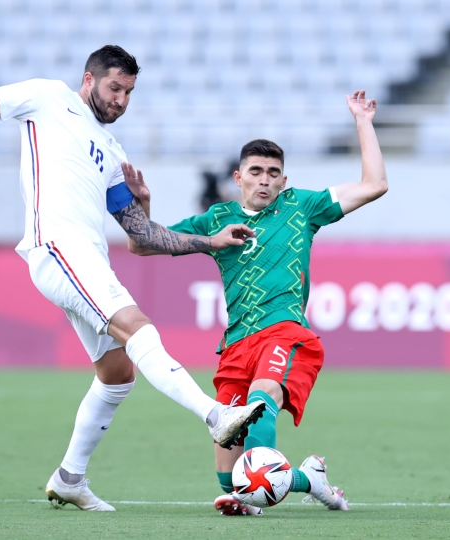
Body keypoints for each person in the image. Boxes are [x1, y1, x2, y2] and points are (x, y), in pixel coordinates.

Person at [0, 45, 266, 512]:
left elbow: (140, 237)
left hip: (88, 259)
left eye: (129, 92)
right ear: (88, 80)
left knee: (117, 375)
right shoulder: (48, 98)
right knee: (140, 329)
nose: (121, 99)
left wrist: (207, 239)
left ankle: (70, 478)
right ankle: (215, 415)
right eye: (114, 87)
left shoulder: (113, 153)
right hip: (56, 248)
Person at [123, 90, 388, 515]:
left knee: (262, 399)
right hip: (236, 345)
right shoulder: (215, 220)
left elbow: (375, 185)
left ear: (283, 180)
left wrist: (363, 122)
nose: (265, 179)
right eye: (256, 171)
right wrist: (143, 206)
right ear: (239, 176)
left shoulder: (302, 206)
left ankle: (270, 486)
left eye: (273, 173)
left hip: (284, 332)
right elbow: (140, 247)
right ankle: (308, 479)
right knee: (230, 475)